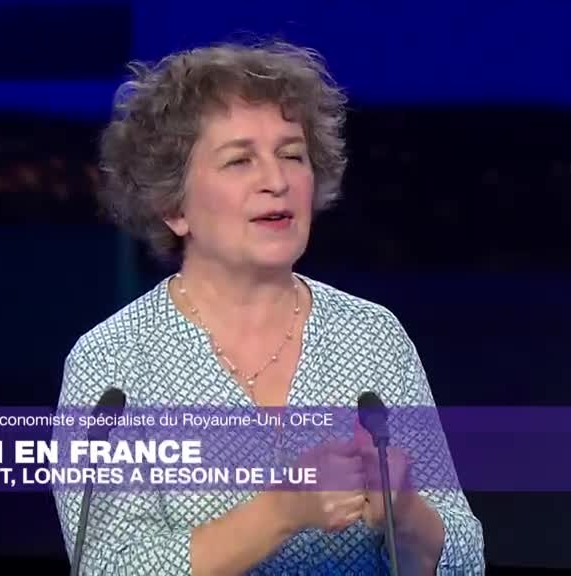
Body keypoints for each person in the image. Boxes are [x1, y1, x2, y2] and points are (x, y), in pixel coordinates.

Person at [53, 40, 485, 575]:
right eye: (240, 160)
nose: (276, 182)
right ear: (172, 205)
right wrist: (282, 510)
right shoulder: (113, 363)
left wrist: (407, 514)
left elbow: (465, 559)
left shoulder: (373, 338)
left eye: (291, 155)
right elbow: (108, 567)